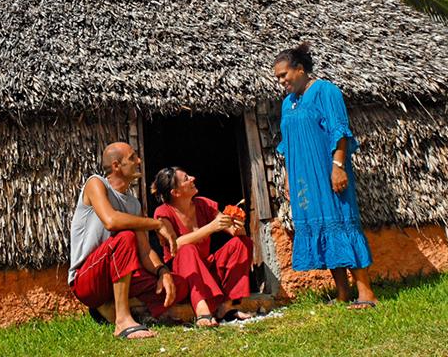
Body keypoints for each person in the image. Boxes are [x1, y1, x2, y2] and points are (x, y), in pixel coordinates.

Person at [272, 43, 378, 309]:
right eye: (278, 78)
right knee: (321, 229)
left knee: (341, 223)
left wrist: (338, 166)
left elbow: (338, 131)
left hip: (327, 170)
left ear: (300, 69)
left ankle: (366, 294)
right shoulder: (288, 104)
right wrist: (288, 177)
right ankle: (342, 294)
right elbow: (288, 144)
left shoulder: (325, 91)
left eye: (284, 75)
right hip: (303, 178)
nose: (282, 81)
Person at [68, 142, 189, 340]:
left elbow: (145, 251)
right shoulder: (95, 184)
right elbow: (111, 220)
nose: (139, 161)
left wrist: (162, 271)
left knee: (178, 284)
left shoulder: (133, 204)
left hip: (119, 275)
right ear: (116, 166)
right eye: (133, 158)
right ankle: (122, 321)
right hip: (88, 280)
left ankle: (113, 307)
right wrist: (157, 224)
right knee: (126, 237)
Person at [151, 167, 255, 327]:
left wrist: (238, 225)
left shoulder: (203, 204)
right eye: (186, 178)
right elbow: (175, 244)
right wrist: (210, 228)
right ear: (176, 192)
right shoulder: (163, 212)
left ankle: (226, 307)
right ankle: (202, 311)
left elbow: (233, 231)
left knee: (242, 243)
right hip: (184, 276)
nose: (192, 178)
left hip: (206, 269)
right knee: (186, 249)